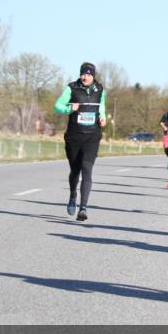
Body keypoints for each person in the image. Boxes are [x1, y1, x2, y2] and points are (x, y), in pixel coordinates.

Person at [54, 62, 107, 221]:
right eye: (84, 74)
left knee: (87, 169)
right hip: (74, 136)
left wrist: (103, 117)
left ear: (93, 76)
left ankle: (83, 208)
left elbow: (101, 106)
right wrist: (69, 109)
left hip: (92, 136)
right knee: (75, 171)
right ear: (80, 74)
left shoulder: (100, 90)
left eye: (89, 74)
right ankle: (72, 196)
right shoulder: (72, 88)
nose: (86, 77)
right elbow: (57, 106)